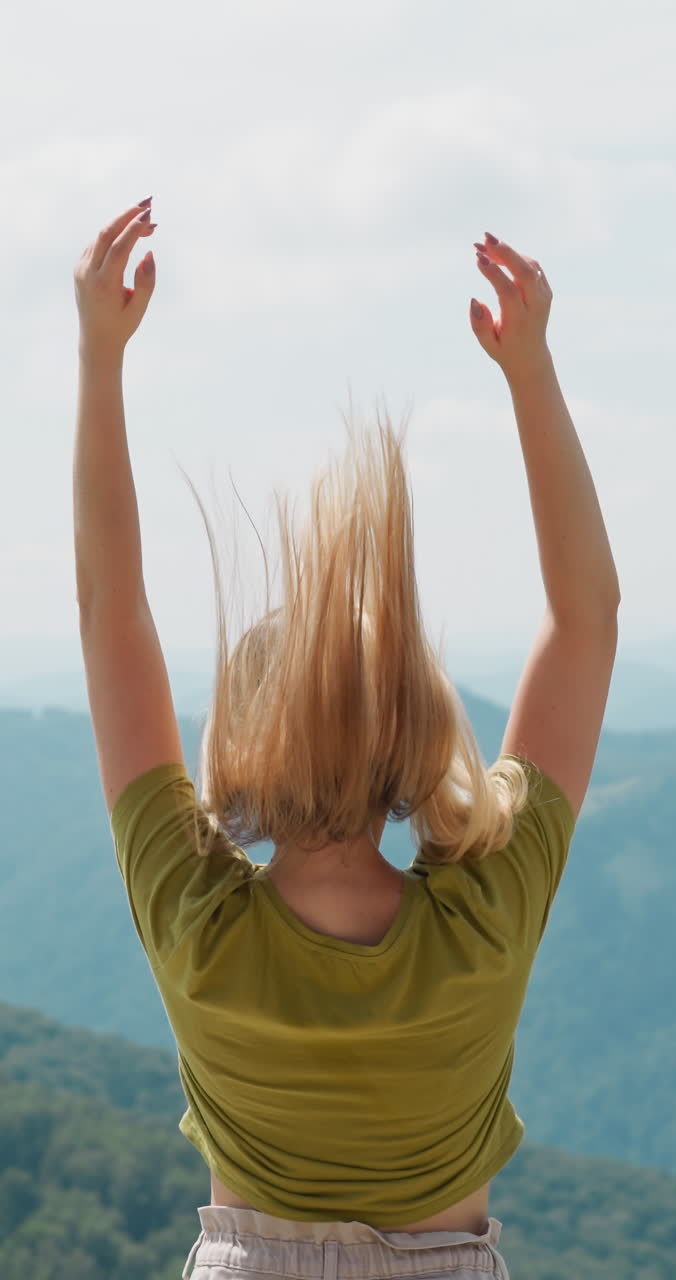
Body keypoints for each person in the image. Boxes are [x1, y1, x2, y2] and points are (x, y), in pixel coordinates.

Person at [73, 201, 620, 1280]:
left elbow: (107, 615)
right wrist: (531, 373)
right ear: (414, 733)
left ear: (241, 740)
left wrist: (99, 360)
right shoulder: (484, 918)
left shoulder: (196, 921)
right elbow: (586, 619)